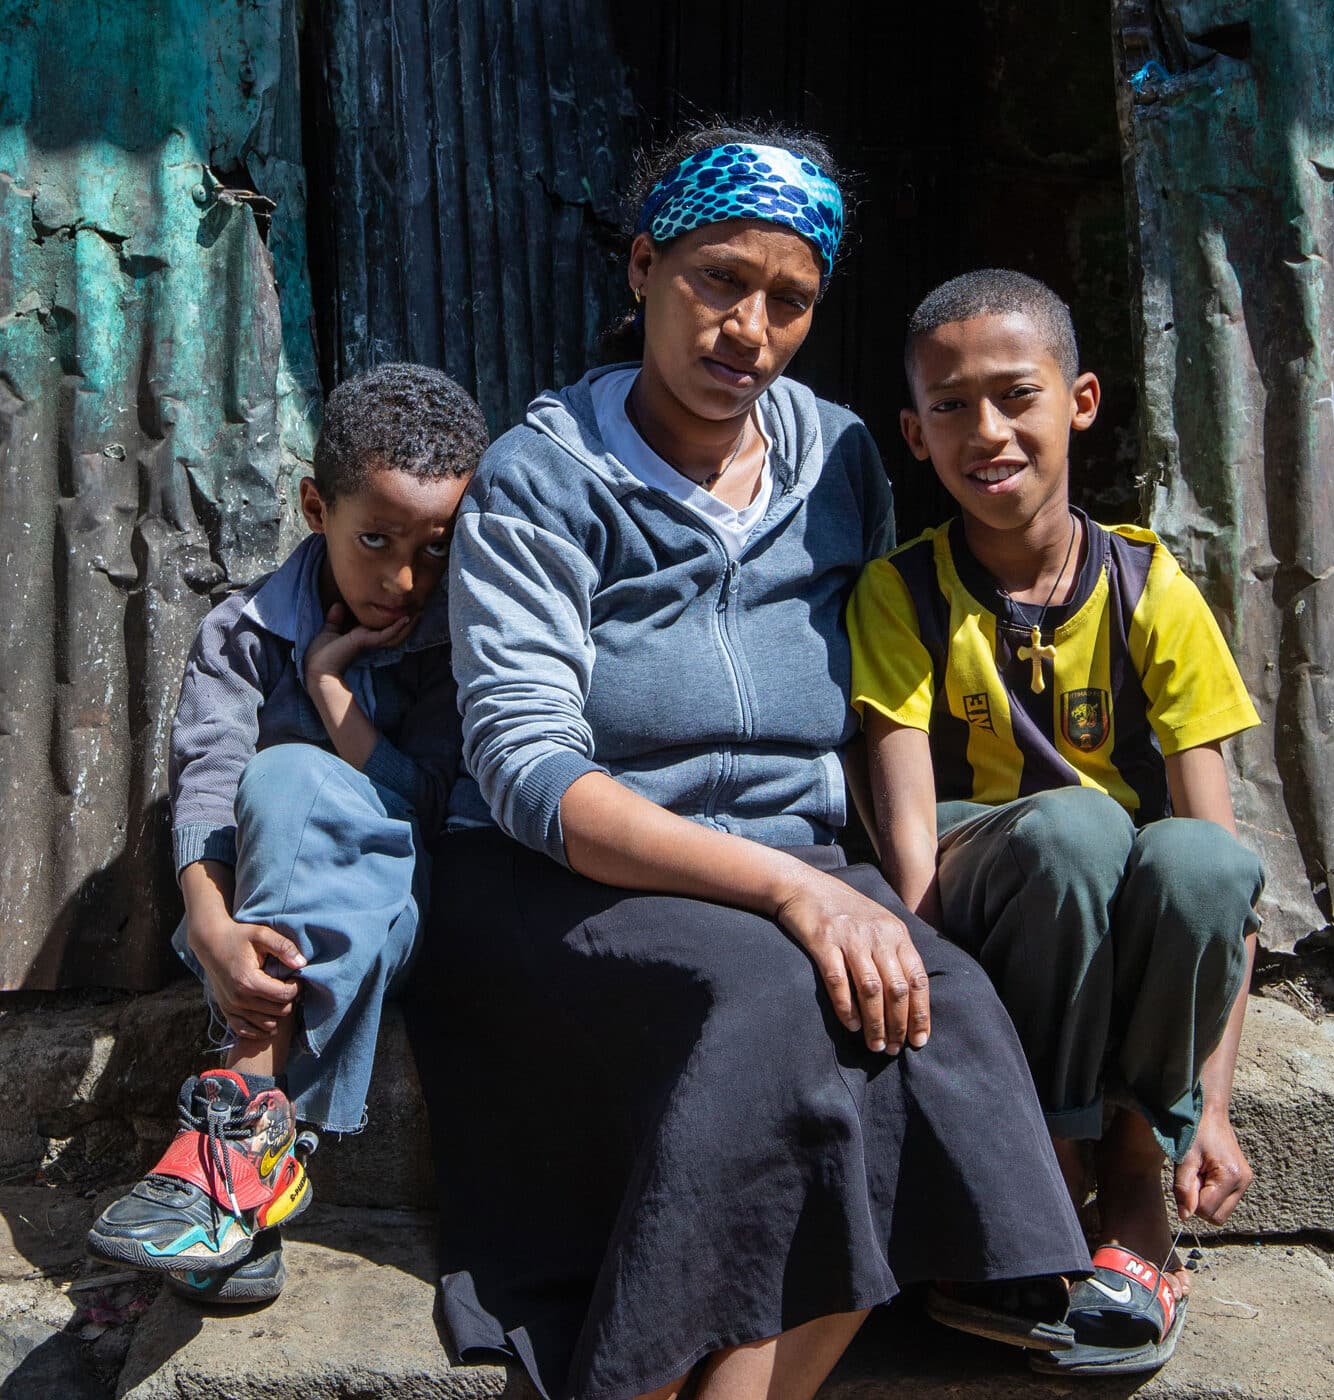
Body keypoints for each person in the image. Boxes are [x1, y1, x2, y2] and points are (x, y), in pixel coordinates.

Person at [407, 127, 1091, 1400]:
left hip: (798, 857)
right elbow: (523, 764)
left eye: (789, 300)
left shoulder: (838, 458)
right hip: (562, 878)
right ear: (643, 265)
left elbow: (885, 682)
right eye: (718, 279)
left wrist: (861, 881)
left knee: (944, 1016)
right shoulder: (542, 474)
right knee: (776, 1002)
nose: (748, 328)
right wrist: (791, 890)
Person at [847, 269, 1265, 1376]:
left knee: (1189, 857)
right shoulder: (901, 594)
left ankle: (1133, 1170)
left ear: (1079, 400)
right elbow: (908, 863)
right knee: (1073, 834)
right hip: (989, 896)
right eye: (949, 406)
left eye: (1015, 395)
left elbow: (1225, 884)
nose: (986, 431)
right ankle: (1040, 1165)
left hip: (1109, 903)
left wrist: (1210, 1111)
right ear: (913, 432)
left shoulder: (1147, 587)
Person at [86, 363, 489, 1304]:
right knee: (268, 780)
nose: (405, 578)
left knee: (294, 770)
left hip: (396, 912)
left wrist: (331, 694)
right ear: (315, 505)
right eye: (377, 539)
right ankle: (257, 1168)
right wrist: (217, 931)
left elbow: (431, 801)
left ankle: (237, 1124)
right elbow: (205, 789)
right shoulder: (241, 633)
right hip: (247, 922)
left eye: (437, 549)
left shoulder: (458, 645)